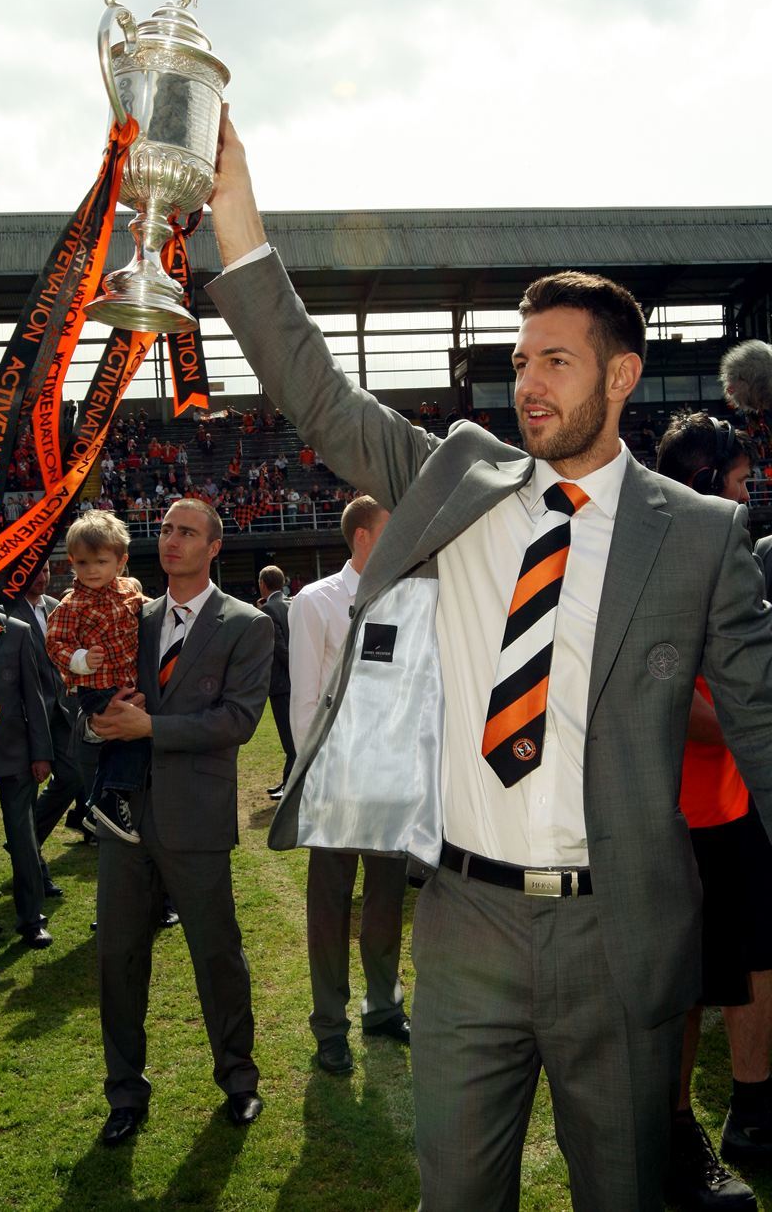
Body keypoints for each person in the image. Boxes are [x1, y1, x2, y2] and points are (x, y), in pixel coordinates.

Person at [204, 113, 772, 1212]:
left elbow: (759, 723)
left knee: (626, 1195)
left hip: (623, 933)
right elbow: (316, 390)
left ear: (621, 377)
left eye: (554, 361)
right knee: (455, 1194)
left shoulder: (699, 533)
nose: (527, 383)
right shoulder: (457, 478)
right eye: (518, 361)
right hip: (464, 920)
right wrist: (235, 212)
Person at [86, 498, 273, 1145]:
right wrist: (95, 717)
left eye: (187, 531)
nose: (171, 539)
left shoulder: (247, 624)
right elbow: (84, 690)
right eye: (165, 528)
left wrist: (152, 727)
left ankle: (240, 1080)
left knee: (218, 956)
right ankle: (125, 1093)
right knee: (117, 957)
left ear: (214, 546)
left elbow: (239, 720)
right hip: (125, 818)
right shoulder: (129, 615)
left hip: (196, 819)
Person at [657, 411, 772, 1210]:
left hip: (728, 807)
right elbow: (671, 698)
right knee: (683, 986)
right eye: (737, 479)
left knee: (737, 963)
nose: (750, 492)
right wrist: (755, 710)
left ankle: (747, 1114)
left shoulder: (719, 554)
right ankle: (669, 1133)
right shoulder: (665, 557)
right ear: (704, 481)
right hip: (674, 816)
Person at [287, 496, 409, 1075]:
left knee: (387, 902)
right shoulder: (316, 602)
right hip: (335, 782)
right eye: (391, 529)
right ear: (362, 536)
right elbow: (304, 701)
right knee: (330, 909)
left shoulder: (405, 595)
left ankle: (383, 1006)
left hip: (390, 780)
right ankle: (329, 1026)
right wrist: (319, 776)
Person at [46, 512, 147, 845]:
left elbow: (146, 607)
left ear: (121, 562)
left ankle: (96, 808)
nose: (91, 570)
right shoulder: (71, 605)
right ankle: (110, 798)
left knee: (127, 741)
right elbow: (54, 643)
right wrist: (81, 660)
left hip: (125, 684)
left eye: (101, 561)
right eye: (83, 563)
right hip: (95, 687)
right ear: (73, 562)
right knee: (132, 737)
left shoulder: (128, 592)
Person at [0, 579, 53, 949]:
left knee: (23, 837)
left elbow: (34, 696)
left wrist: (42, 753)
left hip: (16, 752)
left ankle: (32, 919)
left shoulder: (16, 631)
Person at [4, 562, 87, 893]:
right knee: (26, 793)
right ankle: (34, 869)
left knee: (73, 778)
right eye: (34, 572)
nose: (41, 577)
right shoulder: (4, 613)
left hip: (61, 713)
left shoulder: (56, 608)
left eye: (46, 571)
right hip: (24, 718)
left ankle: (26, 843)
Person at [257, 566, 295, 800]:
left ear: (263, 584)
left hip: (282, 683)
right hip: (293, 680)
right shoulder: (290, 604)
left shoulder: (269, 610)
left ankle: (290, 785)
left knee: (289, 737)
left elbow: (279, 648)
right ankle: (287, 780)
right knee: (291, 734)